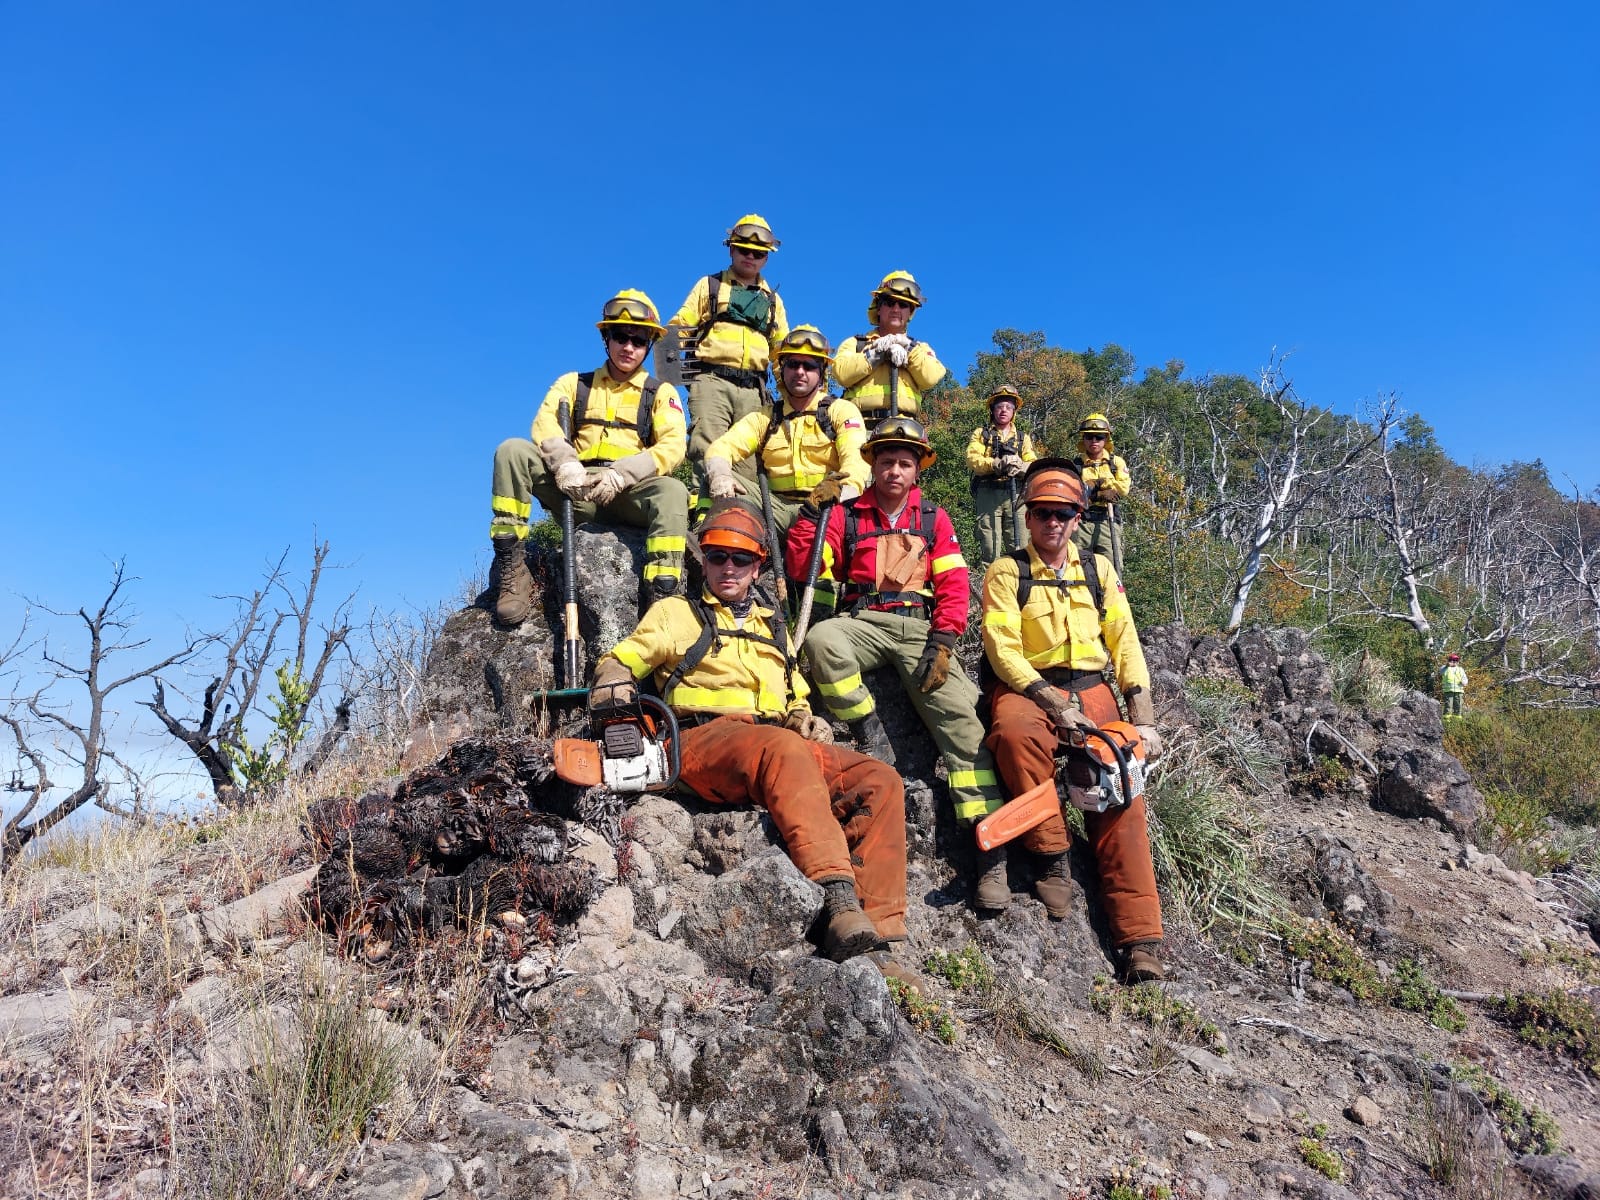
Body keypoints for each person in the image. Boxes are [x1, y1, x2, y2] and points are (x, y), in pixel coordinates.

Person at [588, 502, 907, 963]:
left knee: (880, 780)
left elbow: (793, 693)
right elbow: (625, 658)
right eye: (717, 556)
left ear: (758, 565)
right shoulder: (677, 612)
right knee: (779, 748)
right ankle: (838, 899)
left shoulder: (772, 626)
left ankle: (880, 939)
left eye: (741, 558)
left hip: (778, 743)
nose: (728, 567)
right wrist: (612, 682)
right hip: (701, 739)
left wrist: (804, 717)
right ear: (705, 560)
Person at [979, 458, 1166, 983]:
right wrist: (1050, 700)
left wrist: (1142, 717)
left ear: (1078, 517)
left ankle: (1140, 939)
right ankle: (1051, 855)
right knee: (1014, 736)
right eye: (1041, 513)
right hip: (1028, 686)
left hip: (1092, 686)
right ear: (1027, 516)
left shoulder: (1099, 571)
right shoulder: (1006, 572)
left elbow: (1124, 642)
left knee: (1120, 785)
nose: (1051, 523)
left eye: (1062, 513)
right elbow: (1001, 647)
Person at [787, 417, 1004, 830]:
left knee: (961, 718)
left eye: (905, 463)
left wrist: (942, 641)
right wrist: (811, 514)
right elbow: (804, 566)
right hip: (862, 622)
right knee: (820, 640)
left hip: (917, 628)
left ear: (917, 468)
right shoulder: (846, 516)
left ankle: (985, 831)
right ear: (872, 464)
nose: (895, 471)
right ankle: (869, 729)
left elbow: (954, 584)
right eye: (887, 461)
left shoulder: (934, 519)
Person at [488, 290, 689, 624]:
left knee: (673, 492)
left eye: (639, 340)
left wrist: (623, 474)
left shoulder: (661, 393)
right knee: (512, 451)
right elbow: (545, 423)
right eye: (621, 336)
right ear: (605, 337)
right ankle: (512, 568)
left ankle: (662, 599)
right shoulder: (574, 383)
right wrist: (566, 463)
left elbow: (673, 446)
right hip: (575, 490)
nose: (628, 347)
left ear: (650, 344)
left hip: (628, 494)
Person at [702, 325, 870, 539]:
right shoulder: (766, 416)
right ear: (782, 368)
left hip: (824, 509)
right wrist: (721, 475)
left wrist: (843, 495)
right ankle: (707, 538)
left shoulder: (841, 411)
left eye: (809, 365)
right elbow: (722, 448)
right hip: (774, 510)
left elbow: (855, 462)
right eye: (793, 364)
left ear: (821, 373)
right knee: (712, 474)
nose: (800, 371)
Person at [669, 215, 789, 510]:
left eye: (758, 253)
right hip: (711, 380)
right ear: (731, 249)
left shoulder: (773, 300)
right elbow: (679, 327)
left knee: (747, 459)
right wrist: (675, 382)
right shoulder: (709, 286)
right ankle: (705, 515)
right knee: (706, 445)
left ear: (766, 258)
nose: (751, 257)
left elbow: (782, 352)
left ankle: (740, 520)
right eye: (744, 250)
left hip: (754, 388)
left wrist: (789, 398)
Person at [831, 272, 946, 430]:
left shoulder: (920, 348)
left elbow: (930, 377)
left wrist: (907, 347)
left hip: (905, 430)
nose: (896, 308)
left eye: (903, 304)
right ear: (878, 308)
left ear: (910, 312)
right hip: (861, 429)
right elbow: (841, 373)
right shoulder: (856, 344)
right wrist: (876, 353)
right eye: (889, 302)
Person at [966, 385, 1039, 567]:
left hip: (1016, 494)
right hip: (988, 493)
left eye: (1008, 406)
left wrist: (1020, 466)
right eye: (999, 406)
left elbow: (1034, 464)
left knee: (1020, 543)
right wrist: (995, 464)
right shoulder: (981, 434)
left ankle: (1021, 586)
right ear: (992, 409)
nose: (1003, 410)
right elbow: (972, 459)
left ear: (1014, 410)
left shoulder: (1023, 438)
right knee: (990, 544)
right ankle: (989, 585)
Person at [1072, 413, 1131, 562]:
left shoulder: (1116, 463)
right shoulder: (1075, 465)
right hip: (1081, 522)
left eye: (1099, 437)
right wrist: (1100, 493)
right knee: (1077, 565)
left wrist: (1100, 483)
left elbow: (1123, 489)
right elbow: (1074, 494)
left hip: (1108, 519)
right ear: (1083, 439)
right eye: (1089, 436)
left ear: (1106, 439)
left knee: (1112, 564)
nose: (1094, 441)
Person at [1440, 653, 1468, 719]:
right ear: (1449, 660)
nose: (1454, 661)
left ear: (1458, 662)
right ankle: (1447, 721)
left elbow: (1465, 678)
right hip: (1448, 691)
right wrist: (1447, 665)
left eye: (1456, 660)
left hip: (1459, 691)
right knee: (1448, 706)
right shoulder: (1445, 668)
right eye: (1452, 660)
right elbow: (1441, 671)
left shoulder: (1460, 669)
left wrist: (1464, 682)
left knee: (1458, 706)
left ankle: (1457, 721)